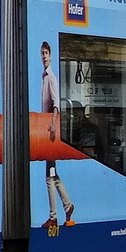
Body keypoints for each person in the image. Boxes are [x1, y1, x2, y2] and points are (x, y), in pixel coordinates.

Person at [39, 41, 75, 234]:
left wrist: (53, 124)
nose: (44, 56)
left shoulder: (50, 77)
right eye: (42, 53)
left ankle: (53, 217)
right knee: (53, 174)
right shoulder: (44, 77)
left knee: (48, 177)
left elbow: (56, 104)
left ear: (50, 56)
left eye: (46, 53)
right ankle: (68, 205)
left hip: (50, 133)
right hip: (46, 132)